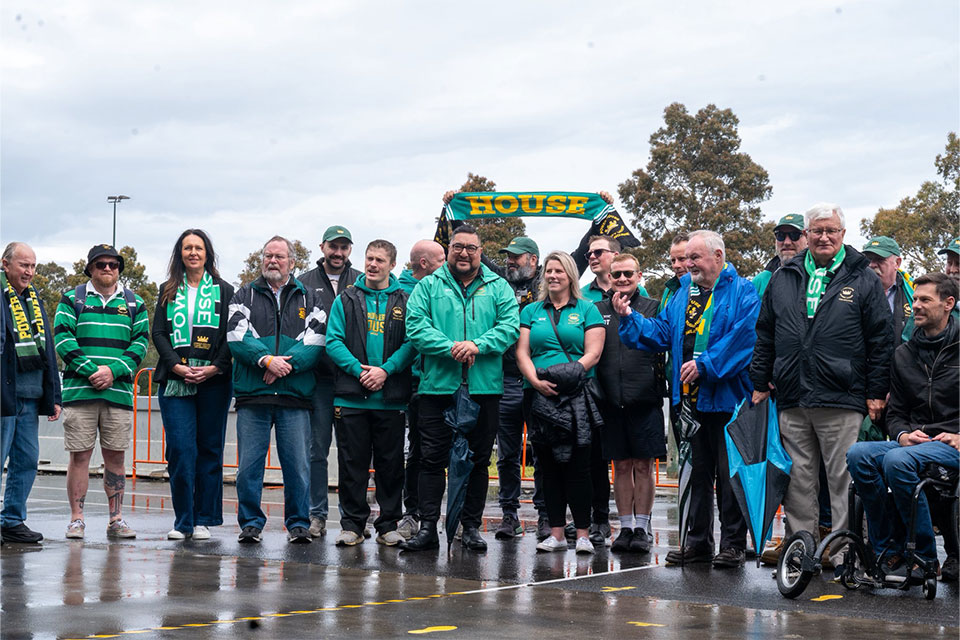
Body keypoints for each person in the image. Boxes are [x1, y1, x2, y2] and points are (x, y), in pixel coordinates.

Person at [751, 203, 892, 565]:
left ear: (843, 234)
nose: (824, 237)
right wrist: (760, 380)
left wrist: (876, 391)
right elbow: (765, 332)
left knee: (842, 478)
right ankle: (803, 546)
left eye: (831, 230)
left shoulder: (862, 278)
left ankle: (843, 550)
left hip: (842, 396)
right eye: (816, 231)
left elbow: (881, 339)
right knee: (797, 480)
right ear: (807, 235)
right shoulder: (784, 276)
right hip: (792, 395)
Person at [615, 230, 760, 568]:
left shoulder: (743, 291)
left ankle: (734, 544)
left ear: (719, 257)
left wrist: (706, 365)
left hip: (727, 401)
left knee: (729, 476)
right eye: (685, 258)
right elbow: (663, 333)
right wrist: (630, 318)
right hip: (689, 403)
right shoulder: (683, 294)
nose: (688, 264)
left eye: (695, 257)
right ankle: (696, 542)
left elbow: (744, 340)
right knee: (694, 475)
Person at [402, 224, 520, 552]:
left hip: (484, 388)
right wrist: (451, 346)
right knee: (430, 459)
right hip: (437, 387)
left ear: (481, 252)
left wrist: (477, 345)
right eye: (458, 247)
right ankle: (428, 527)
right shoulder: (427, 286)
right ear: (449, 249)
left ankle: (470, 527)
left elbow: (510, 327)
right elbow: (415, 327)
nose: (464, 253)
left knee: (479, 461)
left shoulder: (499, 287)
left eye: (471, 247)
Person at [846, 273, 958, 582]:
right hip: (916, 441)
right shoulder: (903, 354)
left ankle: (923, 557)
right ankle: (888, 548)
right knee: (858, 454)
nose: (916, 306)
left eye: (925, 300)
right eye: (916, 300)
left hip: (953, 444)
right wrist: (902, 434)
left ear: (948, 304)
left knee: (897, 460)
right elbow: (895, 413)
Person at [227, 236, 326, 544]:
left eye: (279, 256)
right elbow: (236, 336)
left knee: (297, 467)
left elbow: (316, 341)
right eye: (268, 255)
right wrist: (265, 360)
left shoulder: (312, 297)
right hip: (252, 397)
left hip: (295, 399)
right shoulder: (243, 294)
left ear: (292, 263)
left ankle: (298, 523)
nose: (273, 260)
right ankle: (251, 523)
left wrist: (282, 367)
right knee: (248, 469)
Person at [54, 244, 150, 540]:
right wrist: (91, 371)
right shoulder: (71, 299)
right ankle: (77, 519)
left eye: (113, 264)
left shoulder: (136, 303)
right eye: (100, 264)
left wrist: (113, 371)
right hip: (80, 393)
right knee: (79, 457)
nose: (107, 269)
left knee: (116, 459)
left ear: (119, 268)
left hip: (118, 394)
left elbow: (141, 344)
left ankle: (116, 519)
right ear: (90, 269)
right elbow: (62, 340)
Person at [325, 240, 416, 547]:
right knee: (353, 465)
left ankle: (388, 525)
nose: (372, 264)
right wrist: (359, 370)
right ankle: (352, 525)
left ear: (392, 264)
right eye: (369, 258)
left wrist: (385, 371)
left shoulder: (406, 300)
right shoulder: (346, 299)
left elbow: (412, 343)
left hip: (390, 399)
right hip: (351, 397)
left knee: (391, 467)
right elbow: (333, 341)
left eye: (379, 260)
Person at [517, 251, 605, 554]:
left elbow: (593, 353)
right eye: (549, 271)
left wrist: (570, 375)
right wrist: (535, 382)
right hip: (539, 395)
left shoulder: (587, 309)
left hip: (576, 393)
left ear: (570, 276)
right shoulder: (530, 311)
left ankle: (582, 533)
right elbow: (522, 352)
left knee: (580, 466)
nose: (553, 276)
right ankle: (555, 533)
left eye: (560, 271)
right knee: (548, 466)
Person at [152, 230, 234, 541]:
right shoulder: (167, 290)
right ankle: (183, 520)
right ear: (180, 253)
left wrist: (215, 367)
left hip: (214, 382)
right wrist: (175, 365)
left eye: (198, 247)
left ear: (207, 253)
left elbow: (232, 334)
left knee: (208, 450)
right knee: (181, 450)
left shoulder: (225, 291)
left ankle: (204, 519)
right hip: (176, 382)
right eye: (187, 247)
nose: (193, 253)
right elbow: (159, 333)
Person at [594, 254, 664, 553]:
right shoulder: (597, 310)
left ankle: (642, 527)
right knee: (620, 466)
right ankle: (624, 527)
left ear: (639, 276)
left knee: (643, 465)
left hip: (644, 399)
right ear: (608, 277)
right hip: (611, 400)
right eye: (617, 274)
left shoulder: (653, 307)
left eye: (628, 274)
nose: (622, 279)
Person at [298, 225, 362, 538]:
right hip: (320, 380)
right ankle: (316, 516)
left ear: (350, 250)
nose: (338, 253)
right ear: (322, 247)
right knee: (316, 451)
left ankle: (353, 520)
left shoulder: (361, 280)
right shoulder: (304, 282)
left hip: (353, 380)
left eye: (344, 247)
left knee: (354, 453)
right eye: (333, 247)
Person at [1, 242, 61, 544]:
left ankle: (12, 521)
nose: (29, 271)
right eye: (23, 265)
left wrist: (54, 395)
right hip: (4, 396)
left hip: (31, 395)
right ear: (5, 264)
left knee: (26, 461)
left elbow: (48, 348)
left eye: (33, 266)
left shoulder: (34, 299)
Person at [395, 239, 446, 539]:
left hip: (446, 380)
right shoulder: (402, 293)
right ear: (424, 264)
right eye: (442, 259)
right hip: (416, 384)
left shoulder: (447, 288)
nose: (447, 264)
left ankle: (452, 515)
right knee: (419, 451)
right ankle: (412, 513)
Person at [862, 236, 914, 346]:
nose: (872, 264)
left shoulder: (914, 294)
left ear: (897, 263)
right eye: (869, 259)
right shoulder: (855, 291)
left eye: (880, 259)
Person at [752, 214, 807, 297]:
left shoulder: (818, 278)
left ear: (808, 238)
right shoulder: (760, 281)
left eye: (794, 235)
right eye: (780, 235)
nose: (787, 242)